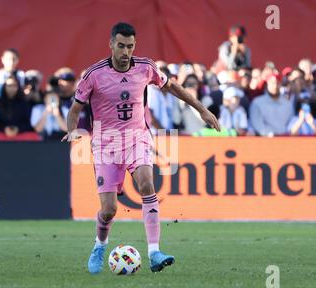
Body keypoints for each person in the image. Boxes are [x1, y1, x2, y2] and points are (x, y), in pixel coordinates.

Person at [61, 22, 220, 274]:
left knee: (147, 183)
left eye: (131, 46)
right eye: (121, 46)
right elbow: (76, 109)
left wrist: (202, 110)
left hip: (138, 137)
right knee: (109, 209)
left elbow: (174, 87)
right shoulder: (94, 74)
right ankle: (100, 245)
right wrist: (72, 131)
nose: (126, 52)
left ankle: (154, 252)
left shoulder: (146, 67)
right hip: (106, 142)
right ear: (111, 44)